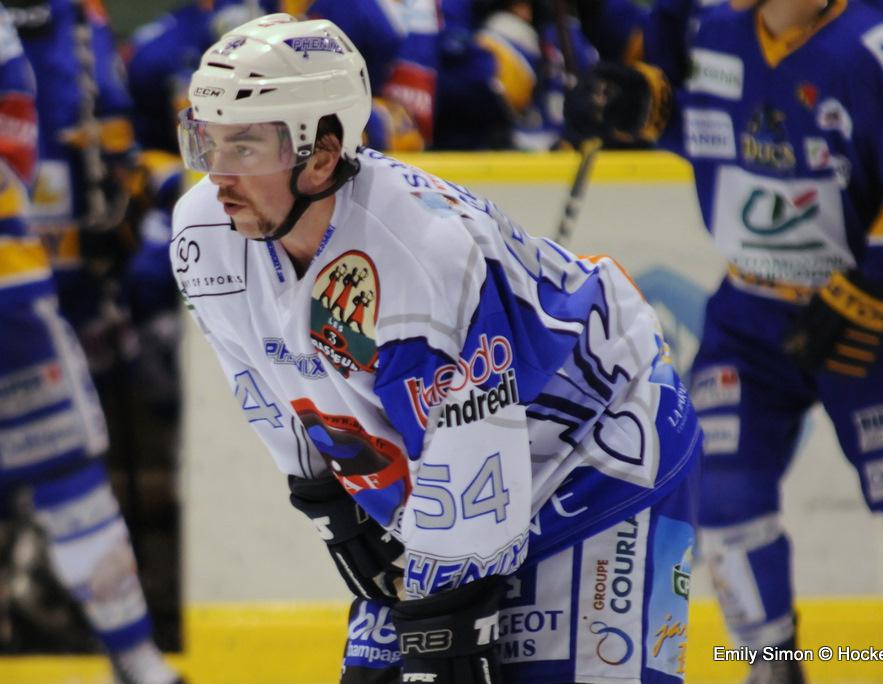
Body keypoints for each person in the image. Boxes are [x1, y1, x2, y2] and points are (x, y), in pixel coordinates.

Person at [172, 13, 702, 684]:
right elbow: (264, 384)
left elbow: (472, 471)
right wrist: (331, 503)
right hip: (467, 471)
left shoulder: (419, 257)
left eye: (246, 148)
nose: (218, 175)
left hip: (602, 450)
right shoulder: (203, 234)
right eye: (207, 141)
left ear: (323, 156)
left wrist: (443, 620)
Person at [563, 1, 883, 683]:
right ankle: (771, 667)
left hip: (879, 323)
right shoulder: (715, 26)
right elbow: (697, 124)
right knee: (722, 497)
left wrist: (867, 295)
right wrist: (635, 102)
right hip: (750, 316)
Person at [0, 4, 181, 683]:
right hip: (10, 287)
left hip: (22, 290)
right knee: (68, 477)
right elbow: (17, 141)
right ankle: (138, 665)